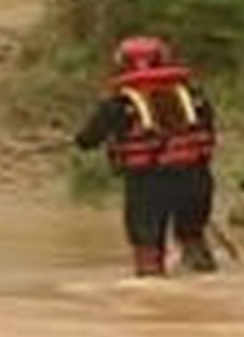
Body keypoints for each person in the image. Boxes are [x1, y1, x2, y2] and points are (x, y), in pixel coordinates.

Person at [74, 36, 218, 277]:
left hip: (147, 184)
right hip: (195, 180)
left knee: (148, 251)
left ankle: (152, 297)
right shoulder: (194, 96)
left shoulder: (119, 104)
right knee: (193, 240)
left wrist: (86, 142)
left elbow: (87, 139)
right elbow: (208, 132)